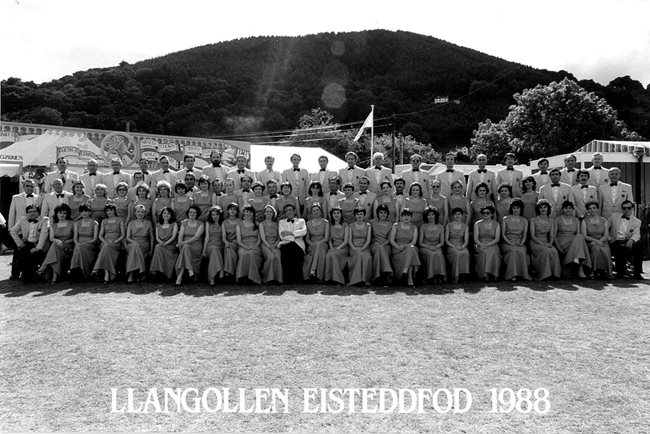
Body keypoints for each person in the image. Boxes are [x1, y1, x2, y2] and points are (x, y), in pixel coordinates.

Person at [9, 205, 50, 282]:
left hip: (40, 244)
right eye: (30, 212)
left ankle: (27, 275)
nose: (32, 213)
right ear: (27, 213)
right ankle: (25, 275)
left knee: (27, 253)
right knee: (21, 250)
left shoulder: (45, 220)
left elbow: (44, 235)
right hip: (27, 243)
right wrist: (20, 244)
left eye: (34, 211)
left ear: (39, 212)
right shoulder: (23, 219)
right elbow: (13, 231)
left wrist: (37, 248)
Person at [554, 201, 591, 278]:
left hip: (573, 243)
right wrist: (559, 248)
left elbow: (577, 234)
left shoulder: (576, 220)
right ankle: (579, 265)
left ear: (573, 209)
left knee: (579, 237)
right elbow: (554, 236)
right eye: (565, 208)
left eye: (570, 208)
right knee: (579, 239)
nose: (568, 210)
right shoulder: (557, 219)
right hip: (562, 243)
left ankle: (579, 266)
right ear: (562, 209)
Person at [38, 204, 74, 284]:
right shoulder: (53, 225)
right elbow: (51, 238)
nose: (62, 215)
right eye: (60, 213)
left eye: (64, 213)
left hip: (68, 246)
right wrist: (57, 241)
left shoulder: (72, 223)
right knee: (55, 247)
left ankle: (44, 267)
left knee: (54, 247)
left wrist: (66, 241)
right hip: (57, 245)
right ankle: (55, 277)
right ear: (56, 213)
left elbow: (74, 238)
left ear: (67, 214)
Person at [609, 200, 643, 279]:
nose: (626, 210)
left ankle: (637, 273)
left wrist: (631, 240)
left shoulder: (637, 222)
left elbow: (637, 233)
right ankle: (620, 272)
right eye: (624, 208)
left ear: (632, 209)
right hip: (615, 241)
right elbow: (604, 228)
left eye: (629, 208)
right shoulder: (613, 217)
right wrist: (609, 238)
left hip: (627, 241)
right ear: (622, 209)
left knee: (639, 245)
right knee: (617, 247)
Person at [528, 199, 561, 280]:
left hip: (547, 242)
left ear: (548, 208)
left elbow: (552, 235)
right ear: (538, 209)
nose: (543, 209)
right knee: (546, 251)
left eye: (545, 207)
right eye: (541, 207)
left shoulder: (551, 220)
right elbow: (532, 235)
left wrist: (550, 243)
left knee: (554, 251)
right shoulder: (533, 220)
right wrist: (542, 244)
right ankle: (545, 274)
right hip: (535, 242)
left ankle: (555, 274)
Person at [92, 203, 125, 284]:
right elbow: (100, 235)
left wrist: (116, 241)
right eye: (107, 211)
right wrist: (105, 242)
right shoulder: (104, 221)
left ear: (114, 211)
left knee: (107, 248)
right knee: (106, 247)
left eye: (111, 210)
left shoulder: (119, 220)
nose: (109, 212)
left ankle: (97, 269)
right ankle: (107, 273)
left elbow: (123, 234)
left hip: (115, 242)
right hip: (105, 242)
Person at [500, 199, 531, 281]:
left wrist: (522, 243)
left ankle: (523, 274)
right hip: (507, 242)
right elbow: (503, 234)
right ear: (511, 208)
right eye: (514, 208)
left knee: (521, 251)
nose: (516, 209)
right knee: (513, 250)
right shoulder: (505, 219)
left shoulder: (524, 220)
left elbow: (524, 235)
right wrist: (509, 242)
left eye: (518, 208)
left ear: (521, 209)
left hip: (519, 242)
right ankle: (512, 275)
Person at [389, 208, 421, 287]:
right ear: (401, 217)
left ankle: (406, 272)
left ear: (411, 217)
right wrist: (398, 247)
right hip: (397, 249)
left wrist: (405, 246)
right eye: (404, 215)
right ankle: (409, 277)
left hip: (408, 247)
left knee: (411, 248)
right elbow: (391, 240)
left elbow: (413, 242)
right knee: (411, 252)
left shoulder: (414, 227)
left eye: (408, 216)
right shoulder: (395, 226)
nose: (406, 217)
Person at [174, 205, 205, 286]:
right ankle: (190, 270)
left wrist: (183, 243)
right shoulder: (184, 223)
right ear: (188, 213)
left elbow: (196, 237)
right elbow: (180, 236)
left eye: (194, 212)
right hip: (184, 245)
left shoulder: (200, 224)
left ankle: (179, 277)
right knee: (185, 248)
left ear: (197, 214)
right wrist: (180, 242)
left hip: (196, 245)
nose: (192, 214)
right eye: (190, 212)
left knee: (185, 247)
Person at [581, 201, 612, 279]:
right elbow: (584, 235)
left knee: (606, 249)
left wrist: (600, 241)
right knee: (596, 248)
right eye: (590, 208)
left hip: (602, 241)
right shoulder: (584, 221)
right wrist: (596, 241)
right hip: (590, 241)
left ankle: (607, 271)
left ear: (597, 209)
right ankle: (593, 271)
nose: (592, 210)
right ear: (587, 210)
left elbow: (606, 235)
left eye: (594, 208)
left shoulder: (604, 220)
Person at [124, 204, 154, 283]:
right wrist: (134, 242)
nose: (140, 214)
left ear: (145, 213)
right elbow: (127, 237)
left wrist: (151, 250)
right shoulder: (131, 223)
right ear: (135, 213)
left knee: (135, 248)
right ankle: (141, 272)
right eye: (138, 212)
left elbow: (151, 238)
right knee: (135, 246)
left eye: (142, 212)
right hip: (132, 243)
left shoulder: (148, 223)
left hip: (144, 244)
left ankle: (131, 274)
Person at [278, 203, 307, 285]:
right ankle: (287, 279)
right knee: (287, 250)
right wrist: (295, 236)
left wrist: (290, 233)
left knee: (296, 251)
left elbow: (304, 232)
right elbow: (282, 235)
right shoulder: (281, 222)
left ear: (294, 211)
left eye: (290, 210)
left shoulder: (301, 221)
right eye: (286, 211)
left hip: (299, 244)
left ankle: (297, 278)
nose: (288, 212)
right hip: (286, 243)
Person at [69, 203, 99, 280]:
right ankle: (77, 272)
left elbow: (95, 238)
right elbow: (75, 238)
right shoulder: (77, 223)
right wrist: (77, 243)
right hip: (79, 243)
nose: (84, 213)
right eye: (82, 211)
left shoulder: (94, 223)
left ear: (90, 212)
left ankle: (82, 271)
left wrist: (85, 243)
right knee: (79, 247)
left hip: (90, 243)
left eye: (86, 211)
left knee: (80, 247)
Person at [149, 207, 179, 282]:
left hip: (171, 245)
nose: (166, 215)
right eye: (164, 213)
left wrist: (165, 243)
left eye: (168, 213)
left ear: (171, 215)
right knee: (158, 247)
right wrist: (160, 242)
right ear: (161, 215)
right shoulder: (158, 225)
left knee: (158, 248)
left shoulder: (174, 224)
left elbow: (173, 237)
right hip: (161, 245)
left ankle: (156, 271)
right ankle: (160, 272)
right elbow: (157, 237)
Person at [418, 206, 447, 285]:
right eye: (428, 215)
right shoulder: (423, 226)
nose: (430, 217)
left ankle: (440, 276)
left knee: (439, 255)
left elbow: (442, 242)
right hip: (425, 247)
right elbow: (420, 242)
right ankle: (430, 277)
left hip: (436, 247)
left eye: (432, 214)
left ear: (435, 215)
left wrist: (436, 247)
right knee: (431, 255)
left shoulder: (440, 227)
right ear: (426, 216)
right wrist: (429, 247)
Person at [235, 205, 263, 284]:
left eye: (250, 212)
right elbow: (238, 240)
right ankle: (242, 276)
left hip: (255, 245)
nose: (248, 213)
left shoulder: (257, 224)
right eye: (247, 211)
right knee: (243, 254)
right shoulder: (239, 225)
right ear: (243, 213)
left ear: (253, 213)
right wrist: (246, 247)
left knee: (252, 254)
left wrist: (255, 246)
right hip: (243, 245)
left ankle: (252, 277)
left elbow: (259, 239)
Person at [473, 204, 501, 282]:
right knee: (483, 252)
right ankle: (484, 275)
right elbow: (476, 238)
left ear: (491, 214)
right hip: (480, 243)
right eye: (484, 213)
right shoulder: (477, 224)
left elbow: (497, 238)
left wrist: (488, 245)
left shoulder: (496, 224)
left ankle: (494, 274)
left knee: (494, 252)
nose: (485, 214)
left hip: (492, 243)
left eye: (487, 213)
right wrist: (481, 244)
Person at [303, 203, 330, 282]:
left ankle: (313, 271)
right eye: (314, 211)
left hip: (323, 243)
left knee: (320, 247)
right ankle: (317, 275)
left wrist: (318, 243)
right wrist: (312, 244)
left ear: (320, 211)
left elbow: (326, 238)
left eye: (317, 210)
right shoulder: (308, 223)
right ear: (312, 213)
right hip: (312, 244)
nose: (316, 212)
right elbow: (307, 238)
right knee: (318, 248)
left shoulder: (326, 222)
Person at [347, 207, 372, 286]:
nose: (359, 216)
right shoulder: (350, 225)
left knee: (366, 256)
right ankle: (355, 280)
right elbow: (349, 240)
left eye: (361, 214)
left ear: (364, 215)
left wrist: (363, 248)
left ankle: (365, 279)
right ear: (355, 215)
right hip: (354, 248)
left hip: (365, 248)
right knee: (358, 255)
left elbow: (368, 240)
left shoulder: (368, 225)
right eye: (357, 214)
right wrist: (354, 248)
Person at [370, 204, 394, 286]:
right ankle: (387, 273)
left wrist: (382, 244)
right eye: (381, 212)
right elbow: (370, 236)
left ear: (387, 214)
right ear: (377, 213)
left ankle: (377, 276)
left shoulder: (391, 225)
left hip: (386, 246)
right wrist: (375, 243)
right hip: (374, 245)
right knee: (379, 249)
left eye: (384, 213)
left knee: (380, 249)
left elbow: (389, 239)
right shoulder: (372, 222)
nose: (383, 214)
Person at [324, 207, 349, 285]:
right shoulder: (330, 225)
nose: (336, 215)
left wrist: (338, 248)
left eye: (338, 213)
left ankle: (337, 279)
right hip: (333, 246)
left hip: (343, 247)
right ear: (332, 215)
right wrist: (331, 247)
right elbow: (330, 239)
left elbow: (346, 241)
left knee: (334, 254)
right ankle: (329, 278)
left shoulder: (345, 225)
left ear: (341, 214)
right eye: (334, 213)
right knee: (329, 254)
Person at [259, 205, 283, 284]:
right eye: (267, 211)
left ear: (273, 213)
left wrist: (275, 245)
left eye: (270, 211)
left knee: (277, 256)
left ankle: (277, 278)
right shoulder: (261, 224)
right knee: (271, 256)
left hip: (275, 244)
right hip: (266, 244)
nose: (269, 213)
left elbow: (279, 237)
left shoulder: (276, 224)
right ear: (264, 213)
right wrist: (270, 247)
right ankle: (267, 277)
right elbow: (263, 238)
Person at [202, 206, 225, 286]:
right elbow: (207, 237)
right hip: (210, 244)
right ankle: (220, 270)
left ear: (220, 215)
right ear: (210, 215)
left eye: (217, 214)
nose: (215, 216)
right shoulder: (208, 223)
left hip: (219, 244)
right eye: (213, 214)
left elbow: (223, 237)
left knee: (215, 250)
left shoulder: (222, 223)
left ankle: (212, 279)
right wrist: (204, 250)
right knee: (214, 249)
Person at [222, 203, 241, 280]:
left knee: (230, 247)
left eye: (234, 209)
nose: (232, 211)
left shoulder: (240, 221)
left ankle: (228, 272)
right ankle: (230, 272)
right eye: (231, 209)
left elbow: (242, 234)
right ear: (228, 211)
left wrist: (236, 241)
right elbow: (223, 236)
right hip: (227, 242)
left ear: (237, 211)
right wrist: (226, 242)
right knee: (228, 248)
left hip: (237, 241)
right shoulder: (224, 222)